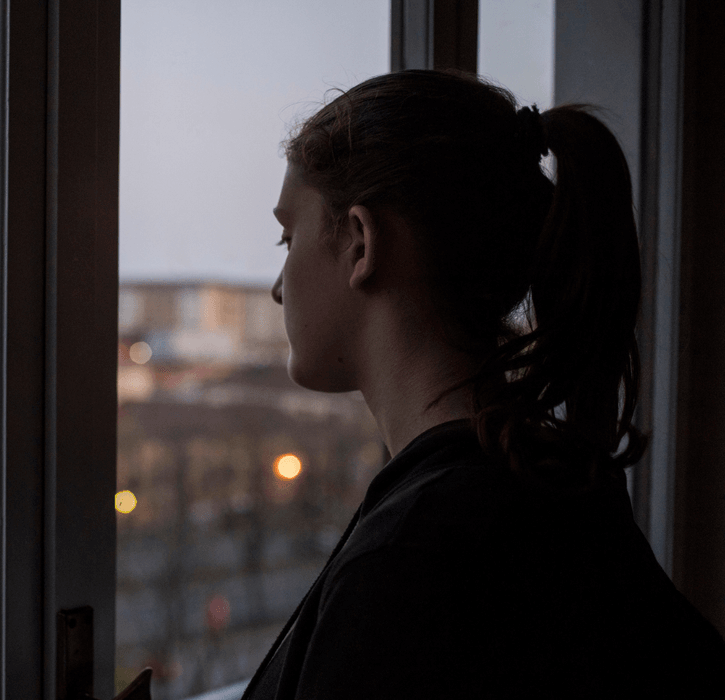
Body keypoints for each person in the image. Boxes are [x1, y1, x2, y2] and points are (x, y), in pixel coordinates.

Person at [243, 70, 725, 699]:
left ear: (360, 243)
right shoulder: (548, 484)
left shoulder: (411, 563)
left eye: (288, 237)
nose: (277, 287)